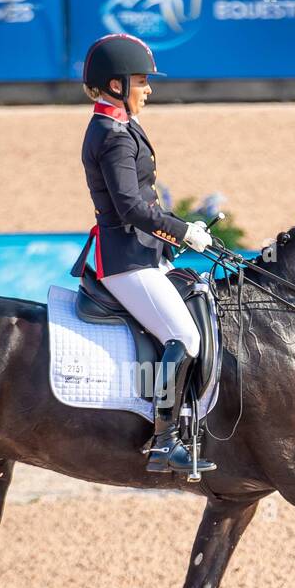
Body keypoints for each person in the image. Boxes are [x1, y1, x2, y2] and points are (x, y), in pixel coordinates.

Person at [72, 33, 215, 475]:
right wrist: (181, 232)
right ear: (115, 84)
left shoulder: (118, 124)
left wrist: (179, 229)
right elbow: (132, 208)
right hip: (126, 260)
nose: (148, 88)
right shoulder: (113, 134)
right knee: (185, 339)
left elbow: (145, 200)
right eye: (140, 80)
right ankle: (164, 441)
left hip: (142, 252)